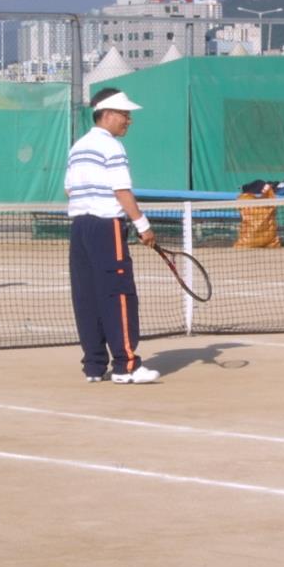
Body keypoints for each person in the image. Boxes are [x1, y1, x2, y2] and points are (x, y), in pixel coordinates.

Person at [65, 87, 159, 384]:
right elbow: (121, 190)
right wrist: (143, 225)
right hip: (107, 228)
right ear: (106, 114)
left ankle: (94, 366)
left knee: (87, 297)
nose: (129, 120)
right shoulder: (112, 147)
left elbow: (68, 189)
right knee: (118, 294)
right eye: (124, 114)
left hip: (80, 228)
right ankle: (126, 366)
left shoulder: (78, 147)